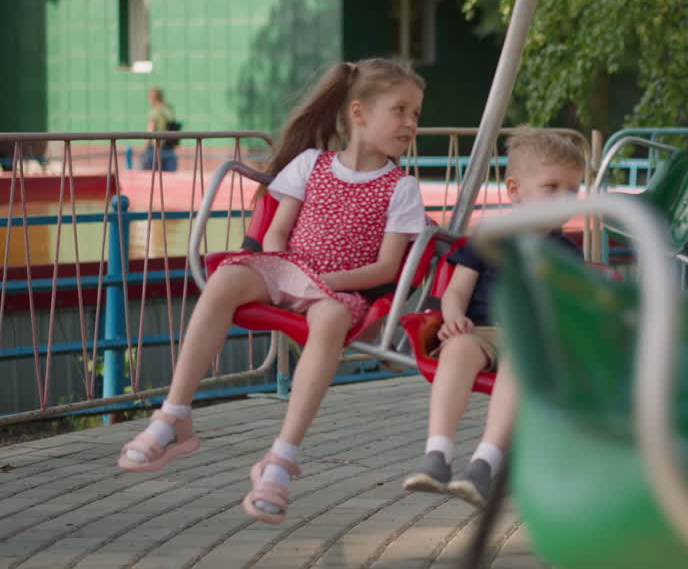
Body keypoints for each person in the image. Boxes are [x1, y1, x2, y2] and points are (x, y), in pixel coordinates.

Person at [117, 58, 428, 525]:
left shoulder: (400, 188)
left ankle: (281, 458)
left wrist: (328, 284)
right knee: (225, 279)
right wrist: (284, 267)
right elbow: (278, 230)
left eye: (416, 114)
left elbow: (386, 266)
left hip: (338, 289)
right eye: (400, 110)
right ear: (359, 113)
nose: (410, 123)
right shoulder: (311, 164)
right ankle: (174, 415)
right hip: (287, 269)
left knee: (331, 320)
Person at [402, 126, 586, 508]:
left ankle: (484, 463)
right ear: (515, 189)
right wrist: (452, 318)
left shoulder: (565, 252)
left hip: (531, 338)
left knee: (521, 360)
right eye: (551, 187)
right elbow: (456, 290)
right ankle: (437, 453)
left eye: (572, 190)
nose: (563, 199)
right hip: (482, 330)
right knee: (458, 350)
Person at [143, 88, 179, 172]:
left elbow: (150, 131)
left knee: (153, 179)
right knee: (169, 179)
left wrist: (145, 147)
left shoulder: (154, 112)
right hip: (169, 148)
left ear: (153, 98)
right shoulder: (168, 109)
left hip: (155, 149)